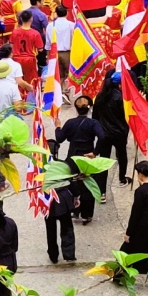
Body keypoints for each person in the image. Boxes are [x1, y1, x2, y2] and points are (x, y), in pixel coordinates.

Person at [54, 95, 104, 223]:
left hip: (72, 157)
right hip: (87, 158)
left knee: (73, 183)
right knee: (87, 184)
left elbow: (59, 138)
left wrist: (58, 126)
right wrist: (95, 152)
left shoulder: (70, 123)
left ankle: (74, 210)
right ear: (89, 108)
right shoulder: (93, 123)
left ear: (76, 109)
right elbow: (102, 137)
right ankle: (87, 214)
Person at [119, 161, 148, 286]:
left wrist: (128, 233)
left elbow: (135, 213)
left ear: (140, 174)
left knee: (127, 250)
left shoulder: (141, 191)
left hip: (141, 226)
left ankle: (119, 276)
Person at [92, 72, 129, 202]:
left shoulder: (100, 97)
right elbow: (126, 116)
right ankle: (122, 178)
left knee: (104, 162)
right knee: (122, 155)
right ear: (119, 84)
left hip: (104, 134)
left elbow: (95, 116)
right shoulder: (120, 98)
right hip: (119, 133)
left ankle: (102, 192)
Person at [9, 10, 43, 94]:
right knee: (31, 80)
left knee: (18, 80)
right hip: (30, 59)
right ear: (31, 19)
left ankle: (20, 98)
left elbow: (11, 46)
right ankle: (31, 99)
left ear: (21, 18)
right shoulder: (35, 33)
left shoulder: (15, 32)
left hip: (17, 59)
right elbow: (40, 49)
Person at [44, 180, 77, 264]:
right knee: (67, 227)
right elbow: (72, 180)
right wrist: (76, 195)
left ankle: (53, 255)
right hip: (63, 198)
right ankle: (69, 254)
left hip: (47, 199)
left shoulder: (40, 167)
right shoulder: (63, 167)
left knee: (50, 230)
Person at [50, 5, 75, 78]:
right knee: (69, 75)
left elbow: (48, 43)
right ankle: (67, 89)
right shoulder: (72, 25)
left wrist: (48, 56)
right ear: (67, 13)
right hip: (68, 53)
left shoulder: (50, 26)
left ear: (56, 14)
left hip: (55, 53)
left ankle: (60, 89)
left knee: (58, 76)